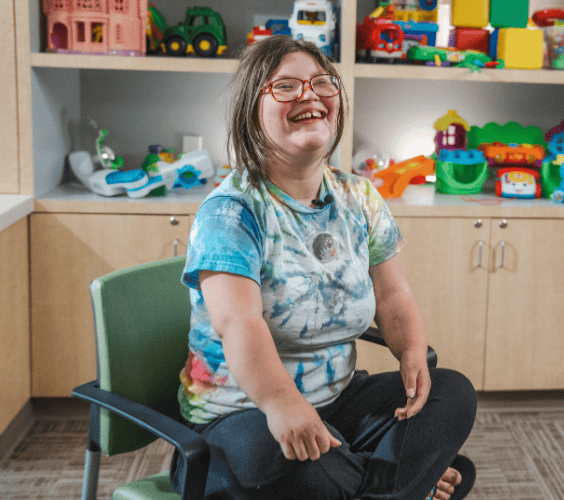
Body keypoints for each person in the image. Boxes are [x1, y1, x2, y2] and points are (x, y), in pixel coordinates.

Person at [169, 35, 478, 500]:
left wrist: (412, 349)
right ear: (251, 113)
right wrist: (282, 404)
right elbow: (238, 322)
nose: (309, 95)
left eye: (320, 83)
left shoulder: (359, 197)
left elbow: (393, 295)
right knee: (275, 455)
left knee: (451, 392)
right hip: (239, 415)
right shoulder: (232, 211)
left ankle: (378, 481)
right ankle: (408, 483)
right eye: (286, 87)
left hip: (336, 401)